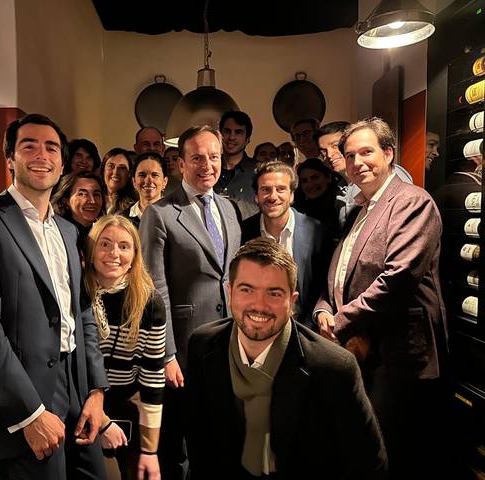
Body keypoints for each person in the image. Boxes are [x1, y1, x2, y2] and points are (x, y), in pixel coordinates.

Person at [0, 114, 108, 479]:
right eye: (29, 146)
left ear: (62, 163)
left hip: (78, 388)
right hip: (25, 395)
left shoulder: (68, 231)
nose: (41, 155)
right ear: (10, 160)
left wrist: (96, 391)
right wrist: (28, 414)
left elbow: (81, 313)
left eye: (51, 147)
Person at [186, 238, 388, 479]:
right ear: (229, 293)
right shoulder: (203, 345)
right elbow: (199, 444)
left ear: (291, 302)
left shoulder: (334, 368)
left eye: (274, 293)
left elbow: (369, 465)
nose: (259, 305)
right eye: (247, 290)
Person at [314, 117, 448, 479]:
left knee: (392, 459)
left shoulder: (412, 202)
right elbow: (340, 273)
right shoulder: (360, 208)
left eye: (367, 152)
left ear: (388, 153)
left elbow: (398, 278)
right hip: (361, 352)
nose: (358, 162)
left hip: (399, 357)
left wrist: (340, 323)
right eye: (350, 154)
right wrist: (323, 310)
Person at [139, 125, 241, 479]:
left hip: (227, 348)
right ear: (180, 164)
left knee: (219, 440)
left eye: (214, 157)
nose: (207, 165)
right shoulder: (161, 213)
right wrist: (165, 354)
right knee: (179, 450)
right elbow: (154, 291)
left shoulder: (229, 209)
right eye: (197, 157)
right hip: (182, 352)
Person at [84, 215, 166, 480]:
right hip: (79, 407)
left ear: (135, 253)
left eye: (124, 246)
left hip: (125, 407)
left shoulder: (149, 301)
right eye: (105, 244)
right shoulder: (77, 294)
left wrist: (150, 451)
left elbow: (152, 378)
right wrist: (101, 420)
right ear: (91, 249)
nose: (114, 254)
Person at [240, 161, 331, 327]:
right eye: (266, 190)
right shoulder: (242, 233)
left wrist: (322, 312)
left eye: (281, 189)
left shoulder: (317, 232)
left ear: (292, 195)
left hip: (304, 328)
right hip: (256, 326)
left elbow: (325, 284)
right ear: (256, 196)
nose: (273, 196)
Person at [315, 121, 413, 228]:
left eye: (335, 146)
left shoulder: (391, 175)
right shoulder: (339, 186)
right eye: (323, 152)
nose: (329, 155)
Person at [215, 110, 257, 219]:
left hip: (248, 233)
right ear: (220, 134)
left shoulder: (259, 171)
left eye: (238, 132)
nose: (232, 137)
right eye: (227, 131)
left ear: (247, 139)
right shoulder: (209, 169)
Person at [52, 171, 105, 256]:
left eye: (96, 194)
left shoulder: (103, 234)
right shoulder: (56, 235)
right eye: (82, 194)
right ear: (66, 200)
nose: (92, 201)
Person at [294, 158, 345, 239]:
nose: (310, 184)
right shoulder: (299, 209)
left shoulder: (342, 205)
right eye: (304, 180)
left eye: (315, 177)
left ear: (328, 177)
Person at [123, 152, 168, 228]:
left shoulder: (175, 216)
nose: (148, 181)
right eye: (142, 175)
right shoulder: (123, 219)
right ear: (134, 181)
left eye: (154, 175)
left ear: (164, 181)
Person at [102, 148, 137, 215]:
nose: (115, 172)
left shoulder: (133, 208)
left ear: (129, 174)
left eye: (122, 168)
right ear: (103, 170)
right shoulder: (95, 199)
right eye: (111, 166)